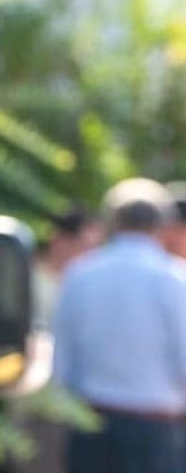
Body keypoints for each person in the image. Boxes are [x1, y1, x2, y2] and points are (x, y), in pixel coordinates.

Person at [52, 178, 186, 473]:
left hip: (90, 427)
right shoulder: (175, 279)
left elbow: (62, 359)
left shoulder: (80, 273)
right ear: (161, 224)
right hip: (156, 433)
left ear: (112, 221)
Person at [32, 207, 103, 328]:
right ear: (60, 240)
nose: (92, 256)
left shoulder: (91, 286)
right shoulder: (27, 275)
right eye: (85, 247)